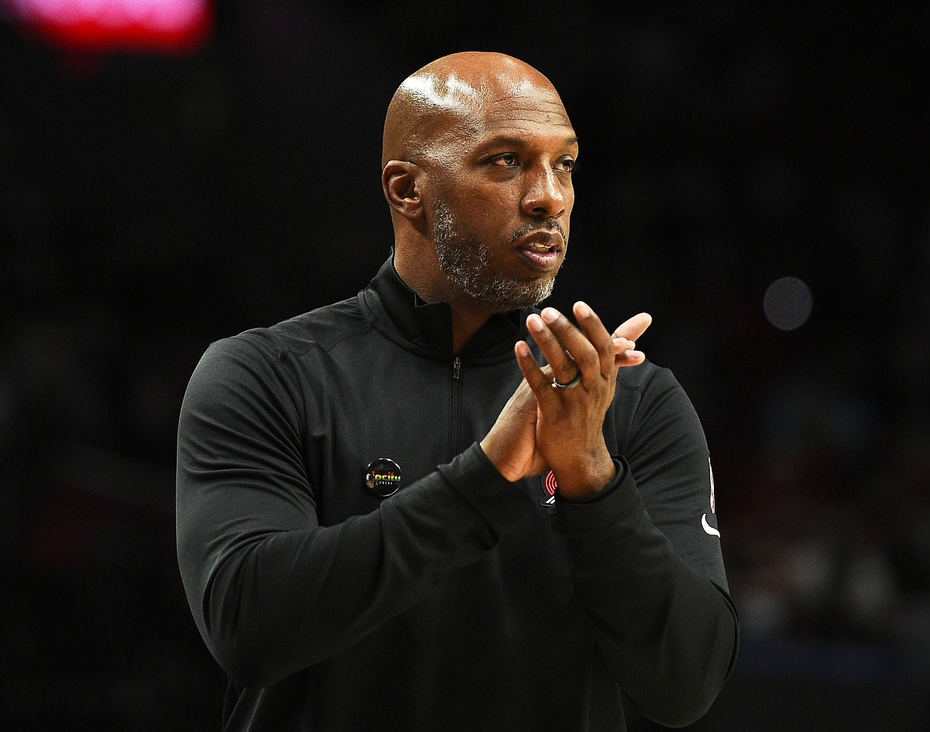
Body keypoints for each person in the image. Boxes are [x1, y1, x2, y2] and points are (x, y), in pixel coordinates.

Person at [176, 51, 738, 731]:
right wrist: (488, 474)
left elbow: (688, 685)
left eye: (563, 164)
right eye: (506, 161)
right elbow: (248, 628)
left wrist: (592, 480)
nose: (549, 197)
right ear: (407, 189)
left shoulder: (630, 400)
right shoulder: (266, 375)